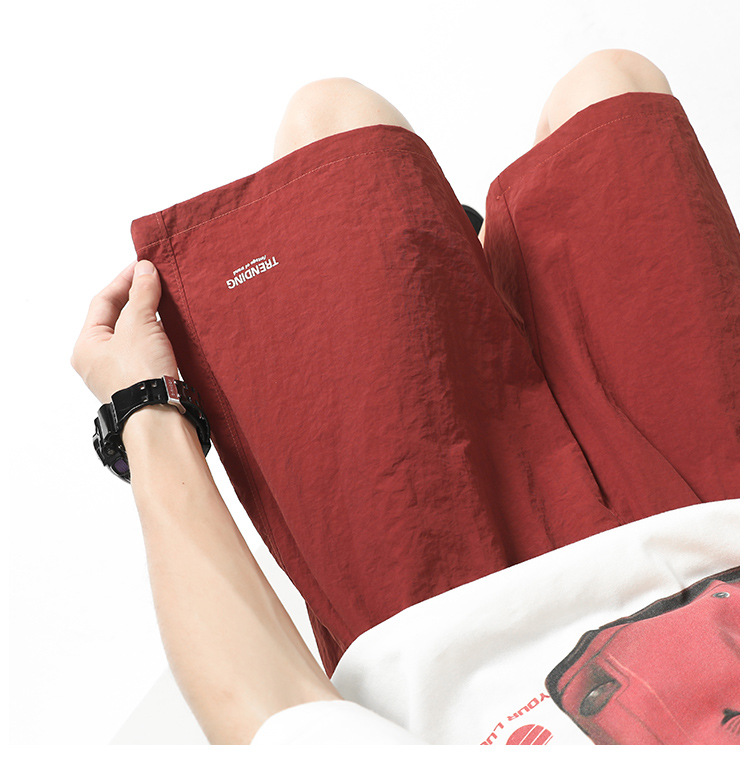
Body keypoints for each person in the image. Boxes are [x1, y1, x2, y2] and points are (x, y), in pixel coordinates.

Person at [71, 50, 739, 745]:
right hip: (722, 517)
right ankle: (483, 288)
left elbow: (259, 707)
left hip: (437, 612)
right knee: (612, 89)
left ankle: (468, 292)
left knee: (331, 123)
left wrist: (142, 407)